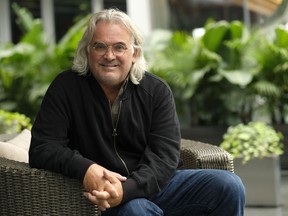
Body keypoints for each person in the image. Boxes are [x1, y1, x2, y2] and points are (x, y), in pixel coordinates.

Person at [29, 8, 245, 216]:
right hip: (95, 195)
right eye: (100, 46)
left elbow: (164, 157)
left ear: (134, 53)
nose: (109, 55)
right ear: (88, 50)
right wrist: (87, 169)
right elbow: (42, 147)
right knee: (136, 210)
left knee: (228, 185)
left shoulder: (156, 91)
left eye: (119, 47)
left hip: (153, 187)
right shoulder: (66, 87)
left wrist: (127, 190)